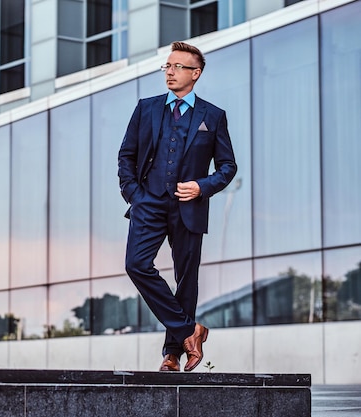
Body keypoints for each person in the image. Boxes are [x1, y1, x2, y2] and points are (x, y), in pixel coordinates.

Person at [118, 41, 237, 372]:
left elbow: (228, 167)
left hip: (190, 207)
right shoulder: (147, 108)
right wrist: (133, 194)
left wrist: (202, 186)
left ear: (195, 74)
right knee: (136, 264)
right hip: (149, 203)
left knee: (187, 279)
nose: (169, 72)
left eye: (178, 67)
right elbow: (126, 155)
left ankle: (172, 354)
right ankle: (190, 331)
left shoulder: (213, 117)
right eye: (167, 66)